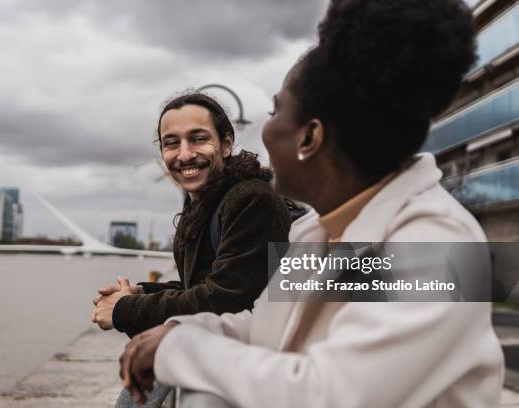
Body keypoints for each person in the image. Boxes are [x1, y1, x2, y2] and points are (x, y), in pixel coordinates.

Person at [117, 0, 505, 406]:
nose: (266, 130)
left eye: (275, 111)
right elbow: (266, 329)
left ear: (308, 137)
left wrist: (179, 350)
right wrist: (177, 331)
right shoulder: (314, 233)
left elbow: (330, 394)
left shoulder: (438, 245)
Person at [92, 93, 292, 406]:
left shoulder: (250, 199)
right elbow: (201, 285)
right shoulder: (207, 200)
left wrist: (124, 310)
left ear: (226, 144)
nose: (184, 155)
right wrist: (142, 292)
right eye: (171, 143)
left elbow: (226, 300)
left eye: (198, 139)